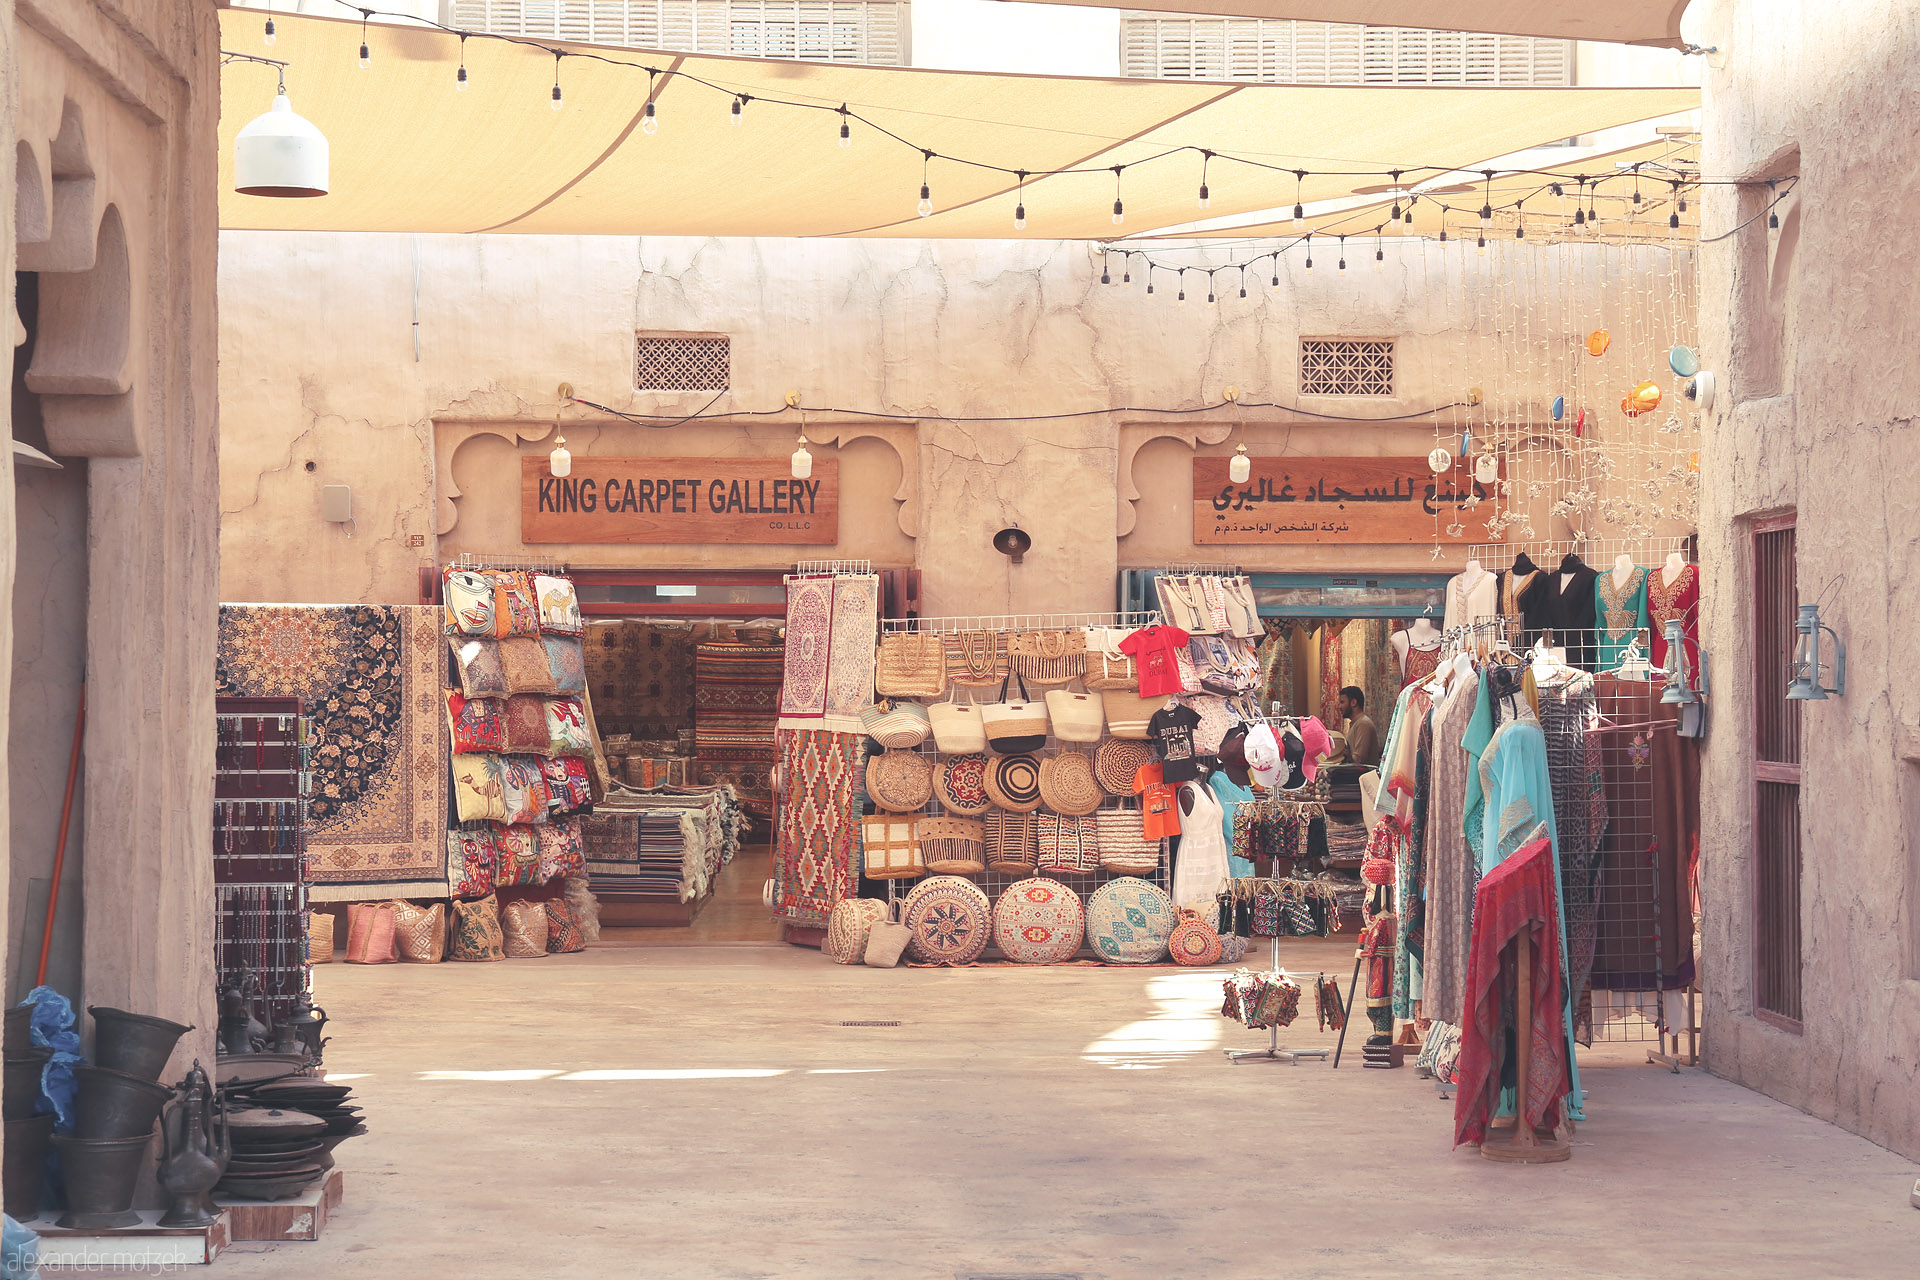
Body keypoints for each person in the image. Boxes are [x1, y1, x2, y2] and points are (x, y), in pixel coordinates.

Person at [1338, 685, 1380, 767]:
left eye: (1342, 702)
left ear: (1353, 702)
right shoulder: (1356, 723)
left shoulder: (1363, 724)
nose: (1339, 707)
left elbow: (1358, 760)